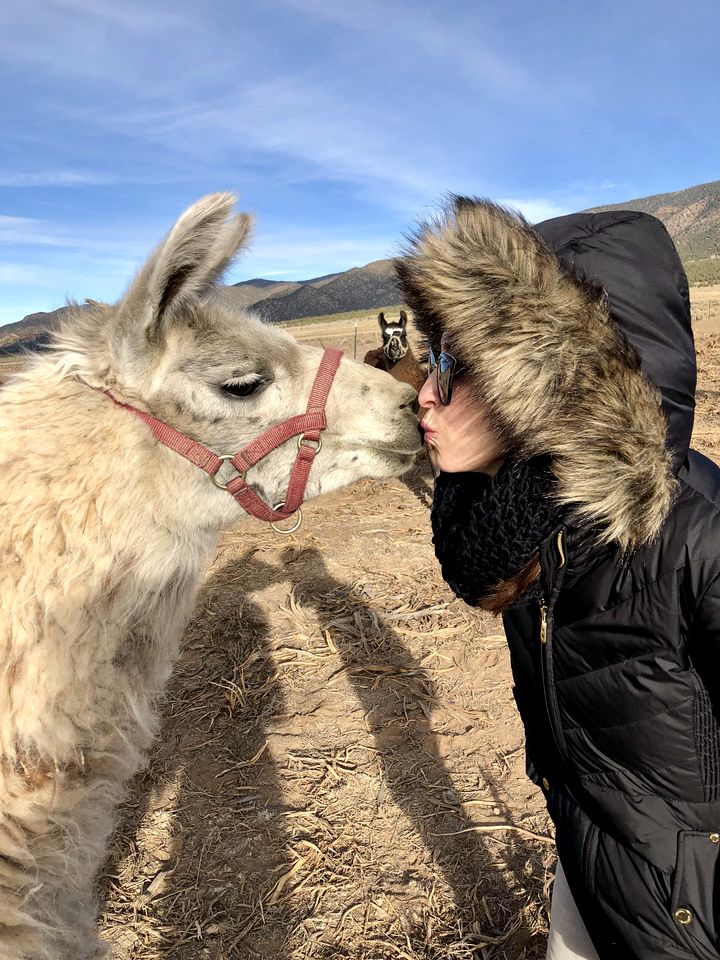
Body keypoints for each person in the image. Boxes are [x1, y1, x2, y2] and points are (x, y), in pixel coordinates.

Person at [394, 198, 720, 959]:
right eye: (432, 357)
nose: (425, 392)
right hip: (589, 863)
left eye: (454, 365)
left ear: (553, 385)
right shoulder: (525, 523)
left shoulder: (696, 539)